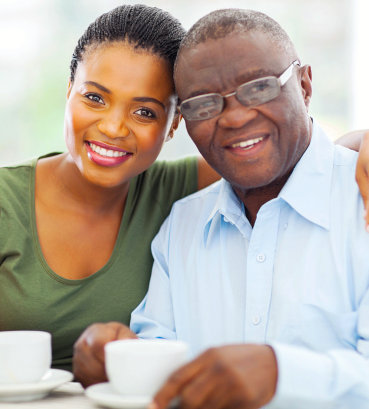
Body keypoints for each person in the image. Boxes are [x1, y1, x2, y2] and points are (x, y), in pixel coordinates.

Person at [74, 8, 369, 409]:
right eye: (204, 104)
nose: (234, 117)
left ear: (304, 85)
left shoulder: (360, 199)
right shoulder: (182, 225)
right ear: (185, 122)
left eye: (259, 87)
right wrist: (112, 362)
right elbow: (161, 360)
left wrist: (280, 374)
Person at [0, 4, 220, 373]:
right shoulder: (7, 202)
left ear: (173, 124)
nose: (114, 128)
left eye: (145, 112)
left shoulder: (177, 189)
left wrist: (356, 144)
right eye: (95, 98)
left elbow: (296, 158)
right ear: (69, 91)